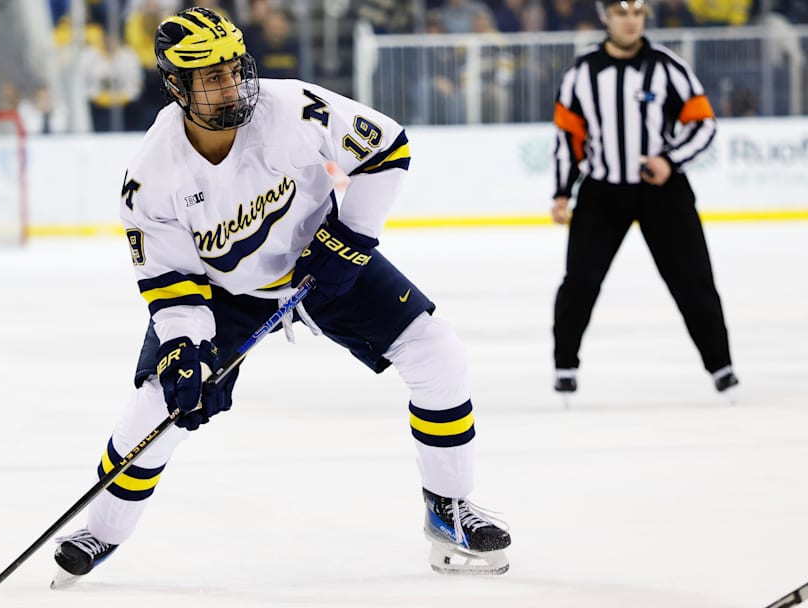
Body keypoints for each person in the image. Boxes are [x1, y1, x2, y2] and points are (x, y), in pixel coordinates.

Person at [50, 7, 511, 588]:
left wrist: (348, 238)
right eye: (209, 77)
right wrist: (186, 350)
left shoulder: (291, 106)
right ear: (175, 85)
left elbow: (387, 147)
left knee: (438, 353)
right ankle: (104, 531)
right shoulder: (150, 175)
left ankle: (449, 510)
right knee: (160, 405)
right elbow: (170, 282)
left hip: (321, 260)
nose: (230, 84)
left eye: (233, 68)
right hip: (225, 292)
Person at [550, 0, 738, 400]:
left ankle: (721, 366)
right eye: (621, 13)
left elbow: (703, 123)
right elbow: (568, 138)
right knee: (580, 282)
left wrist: (669, 160)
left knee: (693, 281)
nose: (630, 21)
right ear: (605, 18)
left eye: (637, 13)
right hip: (602, 192)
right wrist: (563, 191)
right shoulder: (582, 73)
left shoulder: (668, 66)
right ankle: (565, 365)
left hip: (662, 192)